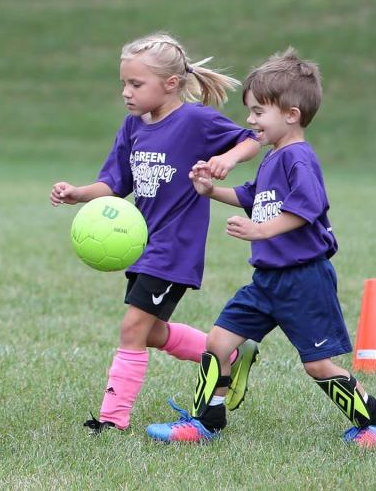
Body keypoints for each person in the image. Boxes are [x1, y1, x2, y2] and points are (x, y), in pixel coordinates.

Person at [147, 49, 376, 448]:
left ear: (291, 114)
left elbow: (308, 206)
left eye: (258, 111)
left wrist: (263, 231)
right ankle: (205, 423)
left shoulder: (299, 158)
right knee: (218, 342)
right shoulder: (273, 157)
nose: (250, 120)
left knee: (317, 365)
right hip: (265, 281)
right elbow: (251, 195)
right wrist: (211, 191)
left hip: (304, 280)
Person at [50, 33, 261, 434]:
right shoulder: (133, 127)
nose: (126, 93)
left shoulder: (196, 121)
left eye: (136, 84)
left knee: (131, 327)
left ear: (170, 83)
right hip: (143, 247)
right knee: (149, 332)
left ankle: (113, 419)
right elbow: (113, 183)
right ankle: (227, 356)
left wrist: (225, 159)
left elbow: (251, 138)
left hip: (174, 248)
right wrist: (79, 193)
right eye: (123, 83)